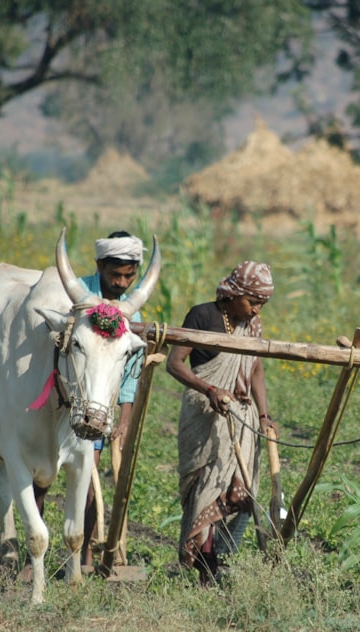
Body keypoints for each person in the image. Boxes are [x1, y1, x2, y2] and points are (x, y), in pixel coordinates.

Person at [166, 260, 279, 584]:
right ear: (233, 294)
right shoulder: (202, 315)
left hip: (240, 414)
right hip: (205, 411)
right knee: (207, 487)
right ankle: (205, 561)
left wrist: (263, 414)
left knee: (237, 489)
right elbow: (175, 364)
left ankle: (218, 558)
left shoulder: (252, 326)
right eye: (252, 302)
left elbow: (255, 368)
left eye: (261, 304)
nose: (256, 311)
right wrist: (211, 390)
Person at [81, 230, 145, 566]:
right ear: (99, 266)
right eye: (114, 275)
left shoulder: (131, 312)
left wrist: (124, 419)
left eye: (129, 276)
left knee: (89, 479)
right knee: (41, 477)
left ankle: (84, 554)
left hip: (98, 407)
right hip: (64, 401)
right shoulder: (74, 294)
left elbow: (131, 371)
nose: (121, 283)